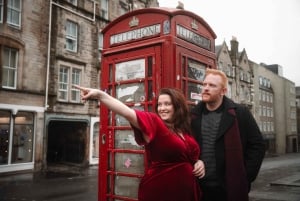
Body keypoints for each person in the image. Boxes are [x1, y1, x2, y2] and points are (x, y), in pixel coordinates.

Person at [74, 85, 205, 201]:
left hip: (187, 193)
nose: (162, 108)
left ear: (177, 107)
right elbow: (127, 112)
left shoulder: (182, 129)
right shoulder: (155, 123)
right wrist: (100, 95)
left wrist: (199, 162)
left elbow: (188, 155)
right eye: (159, 104)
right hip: (161, 192)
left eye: (167, 104)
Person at [190, 68, 265, 201]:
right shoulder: (193, 115)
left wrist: (245, 175)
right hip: (199, 187)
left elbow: (257, 145)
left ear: (223, 91)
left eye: (212, 85)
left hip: (229, 188)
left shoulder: (240, 113)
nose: (206, 88)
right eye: (204, 84)